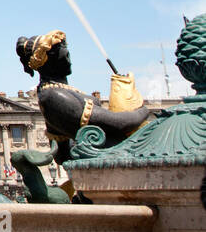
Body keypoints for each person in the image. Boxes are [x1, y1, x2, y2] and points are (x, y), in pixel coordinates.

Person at [16, 31, 152, 162]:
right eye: (63, 54)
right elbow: (119, 123)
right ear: (48, 61)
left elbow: (61, 152)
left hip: (114, 152)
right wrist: (143, 110)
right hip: (115, 154)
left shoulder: (52, 93)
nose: (68, 58)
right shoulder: (54, 96)